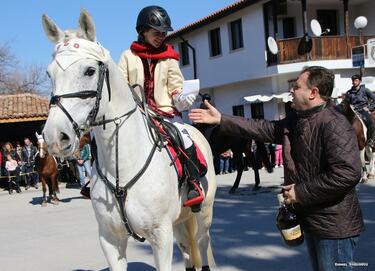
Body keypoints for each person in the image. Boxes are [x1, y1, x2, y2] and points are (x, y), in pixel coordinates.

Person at [189, 66, 364, 270]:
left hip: (335, 227)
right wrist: (222, 119)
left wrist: (300, 192)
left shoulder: (334, 124)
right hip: (315, 221)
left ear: (313, 92)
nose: (292, 90)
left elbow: (347, 173)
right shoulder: (298, 120)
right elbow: (264, 128)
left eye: (296, 86)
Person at [118, 6, 203, 212]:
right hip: (135, 112)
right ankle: (97, 181)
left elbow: (175, 86)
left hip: (163, 112)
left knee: (185, 137)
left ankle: (193, 184)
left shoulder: (169, 57)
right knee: (107, 136)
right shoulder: (127, 56)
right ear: (143, 31)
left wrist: (182, 96)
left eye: (164, 33)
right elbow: (121, 84)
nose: (161, 36)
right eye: (157, 32)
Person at [344, 74, 375, 146]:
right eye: (353, 81)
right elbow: (345, 103)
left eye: (356, 80)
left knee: (370, 122)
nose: (354, 82)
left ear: (360, 81)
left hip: (363, 110)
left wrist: (369, 108)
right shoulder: (349, 92)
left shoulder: (365, 90)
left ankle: (370, 140)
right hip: (353, 110)